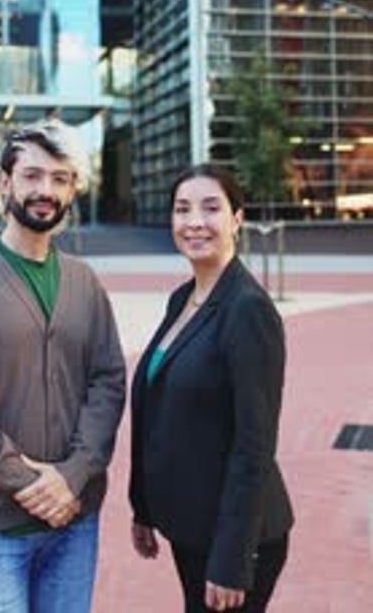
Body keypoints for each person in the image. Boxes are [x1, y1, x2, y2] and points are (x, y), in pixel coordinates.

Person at [0, 119, 126, 613]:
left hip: (74, 521)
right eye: (32, 175)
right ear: (4, 182)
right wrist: (30, 482)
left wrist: (74, 474)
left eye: (60, 178)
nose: (45, 190)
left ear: (74, 189)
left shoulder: (85, 282)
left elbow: (108, 381)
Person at [129, 164, 294, 613]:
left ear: (237, 217)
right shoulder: (183, 299)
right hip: (192, 527)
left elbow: (254, 445)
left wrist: (231, 560)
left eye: (210, 208)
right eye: (182, 209)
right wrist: (143, 506)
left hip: (236, 538)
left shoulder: (247, 311)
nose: (194, 222)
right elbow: (159, 407)